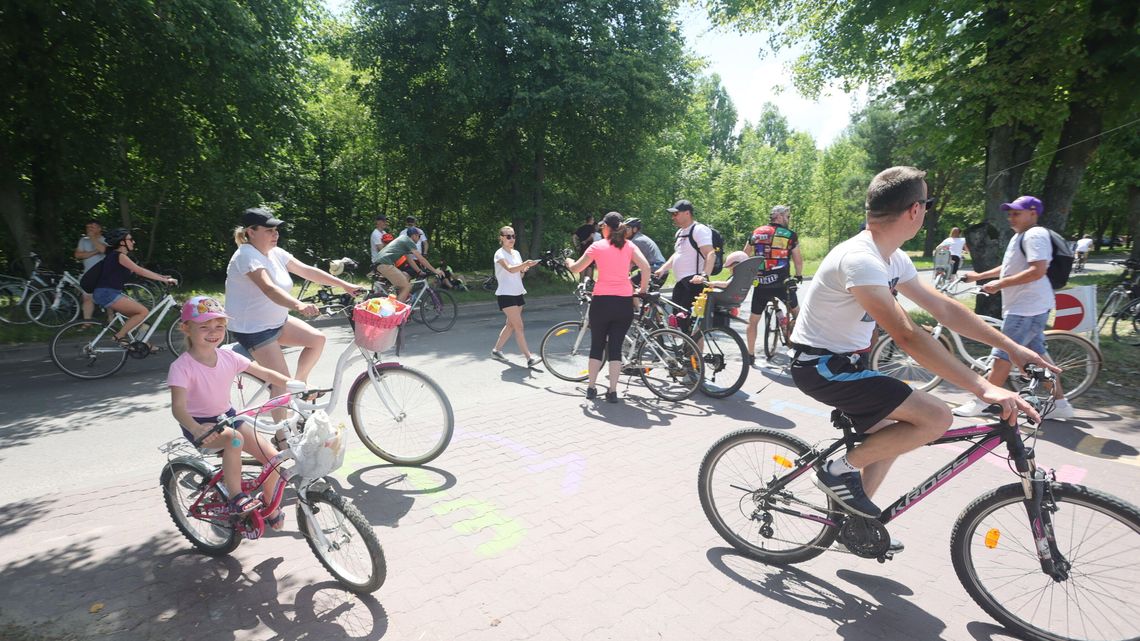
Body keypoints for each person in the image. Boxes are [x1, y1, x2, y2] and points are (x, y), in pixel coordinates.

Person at [788, 167, 1051, 533]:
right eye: (928, 204)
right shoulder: (860, 259)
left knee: (893, 436)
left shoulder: (892, 257)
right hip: (822, 367)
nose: (927, 211)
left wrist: (1010, 347)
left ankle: (854, 526)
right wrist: (983, 386)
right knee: (935, 417)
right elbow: (908, 335)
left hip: (848, 363)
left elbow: (943, 308)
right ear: (915, 210)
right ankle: (837, 469)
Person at [168, 296, 295, 527]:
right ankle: (236, 497)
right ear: (186, 328)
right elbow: (177, 408)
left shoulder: (228, 356)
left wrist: (297, 386)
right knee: (234, 440)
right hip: (200, 425)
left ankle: (270, 507)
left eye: (219, 326)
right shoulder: (181, 367)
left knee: (273, 459)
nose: (213, 332)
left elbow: (268, 374)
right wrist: (196, 428)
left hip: (228, 417)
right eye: (204, 326)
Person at [224, 207, 363, 405]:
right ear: (251, 232)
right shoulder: (246, 255)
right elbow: (269, 289)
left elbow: (307, 271)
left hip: (277, 322)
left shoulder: (275, 252)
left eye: (276, 230)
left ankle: (299, 387)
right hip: (254, 329)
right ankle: (282, 435)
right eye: (269, 230)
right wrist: (298, 305)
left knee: (317, 340)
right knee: (281, 383)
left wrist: (345, 285)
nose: (275, 234)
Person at [954, 196, 1074, 419]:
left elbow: (1037, 270)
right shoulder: (1021, 236)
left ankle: (982, 401)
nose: (1011, 217)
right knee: (1037, 356)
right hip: (1028, 306)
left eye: (1017, 213)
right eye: (1009, 213)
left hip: (1027, 308)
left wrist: (999, 285)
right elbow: (1010, 267)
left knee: (1003, 354)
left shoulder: (1034, 235)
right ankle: (1061, 404)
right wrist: (980, 276)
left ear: (1033, 213)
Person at [565, 212, 650, 402]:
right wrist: (642, 290)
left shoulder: (597, 246)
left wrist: (568, 261)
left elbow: (577, 268)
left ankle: (591, 388)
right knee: (615, 348)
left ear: (606, 228)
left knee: (597, 346)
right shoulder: (629, 246)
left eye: (602, 227)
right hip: (623, 303)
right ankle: (612, 391)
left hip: (602, 302)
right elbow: (646, 268)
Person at [91, 228, 177, 346]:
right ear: (122, 242)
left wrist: (162, 277)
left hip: (109, 292)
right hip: (107, 293)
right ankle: (119, 337)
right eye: (130, 239)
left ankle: (144, 344)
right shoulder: (119, 256)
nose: (133, 242)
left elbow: (140, 271)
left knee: (139, 319)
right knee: (143, 312)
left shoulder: (117, 256)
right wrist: (164, 280)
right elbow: (139, 271)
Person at [744, 205, 803, 365]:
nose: (788, 220)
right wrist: (798, 275)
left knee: (753, 320)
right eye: (788, 217)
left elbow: (745, 255)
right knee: (798, 314)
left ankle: (750, 355)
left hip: (761, 284)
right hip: (782, 283)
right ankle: (802, 349)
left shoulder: (756, 232)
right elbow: (798, 260)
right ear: (780, 217)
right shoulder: (790, 235)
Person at [653, 200, 715, 334]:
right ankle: (688, 354)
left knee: (692, 323)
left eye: (676, 214)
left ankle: (696, 354)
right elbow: (678, 254)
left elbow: (710, 253)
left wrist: (704, 275)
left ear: (687, 213)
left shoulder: (698, 229)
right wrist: (663, 268)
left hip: (694, 282)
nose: (673, 217)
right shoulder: (680, 232)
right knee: (680, 322)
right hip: (681, 282)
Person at [490, 227, 542, 367]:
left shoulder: (516, 253)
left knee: (511, 324)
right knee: (519, 326)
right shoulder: (499, 254)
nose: (511, 239)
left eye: (513, 236)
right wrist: (524, 264)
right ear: (501, 238)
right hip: (506, 294)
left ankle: (496, 350)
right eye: (508, 236)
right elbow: (510, 269)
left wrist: (524, 269)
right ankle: (529, 358)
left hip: (518, 292)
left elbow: (519, 274)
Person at [373, 227, 443, 301]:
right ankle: (398, 310)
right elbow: (421, 258)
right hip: (385, 264)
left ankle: (399, 301)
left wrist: (419, 271)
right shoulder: (409, 241)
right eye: (419, 236)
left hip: (380, 263)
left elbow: (410, 260)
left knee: (403, 282)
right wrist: (435, 271)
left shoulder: (404, 240)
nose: (419, 239)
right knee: (407, 287)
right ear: (414, 235)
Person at [73, 219, 107, 320]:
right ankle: (86, 322)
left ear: (99, 228)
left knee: (108, 299)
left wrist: (92, 238)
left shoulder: (105, 239)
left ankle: (111, 318)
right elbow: (77, 255)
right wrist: (94, 252)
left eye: (92, 227)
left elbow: (103, 250)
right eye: (88, 227)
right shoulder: (83, 240)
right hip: (88, 274)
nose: (89, 229)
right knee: (87, 299)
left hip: (103, 274)